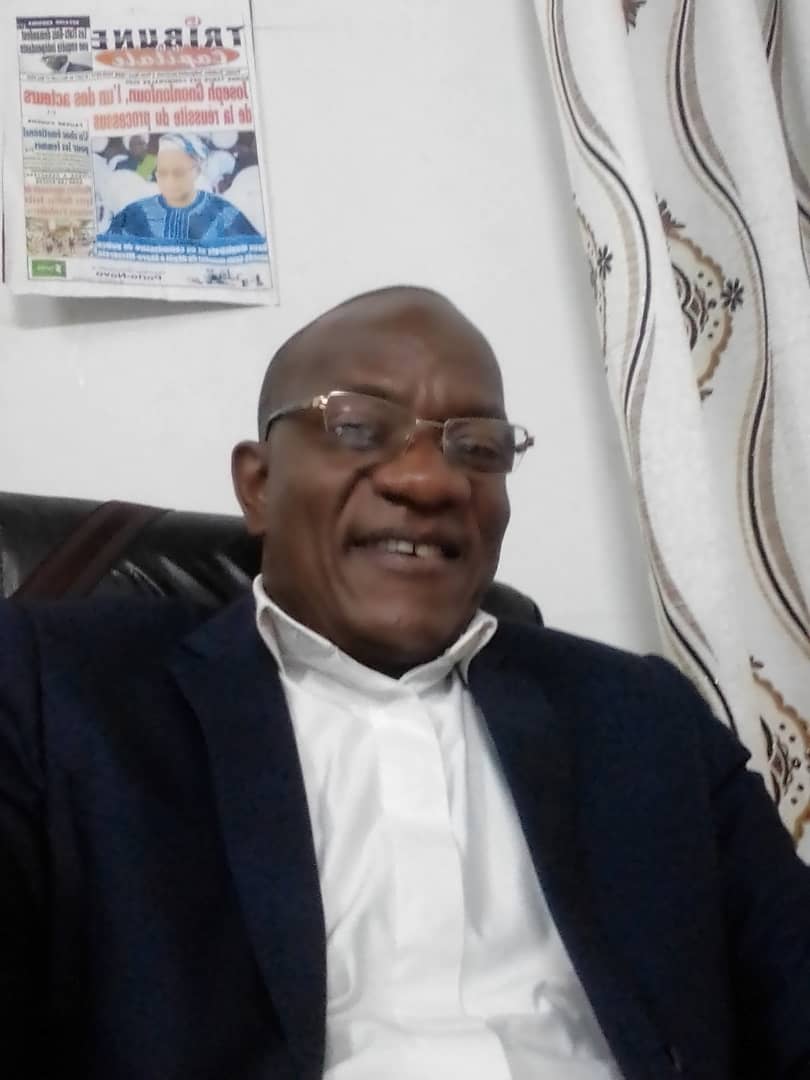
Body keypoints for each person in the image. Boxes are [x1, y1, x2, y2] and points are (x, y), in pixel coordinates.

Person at [1, 286, 809, 1080]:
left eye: (479, 448)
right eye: (358, 427)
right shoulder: (61, 690)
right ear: (258, 485)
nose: (430, 482)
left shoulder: (643, 717)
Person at [102, 132, 261, 245]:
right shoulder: (128, 167)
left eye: (142, 143)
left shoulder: (206, 178)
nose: (140, 147)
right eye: (136, 143)